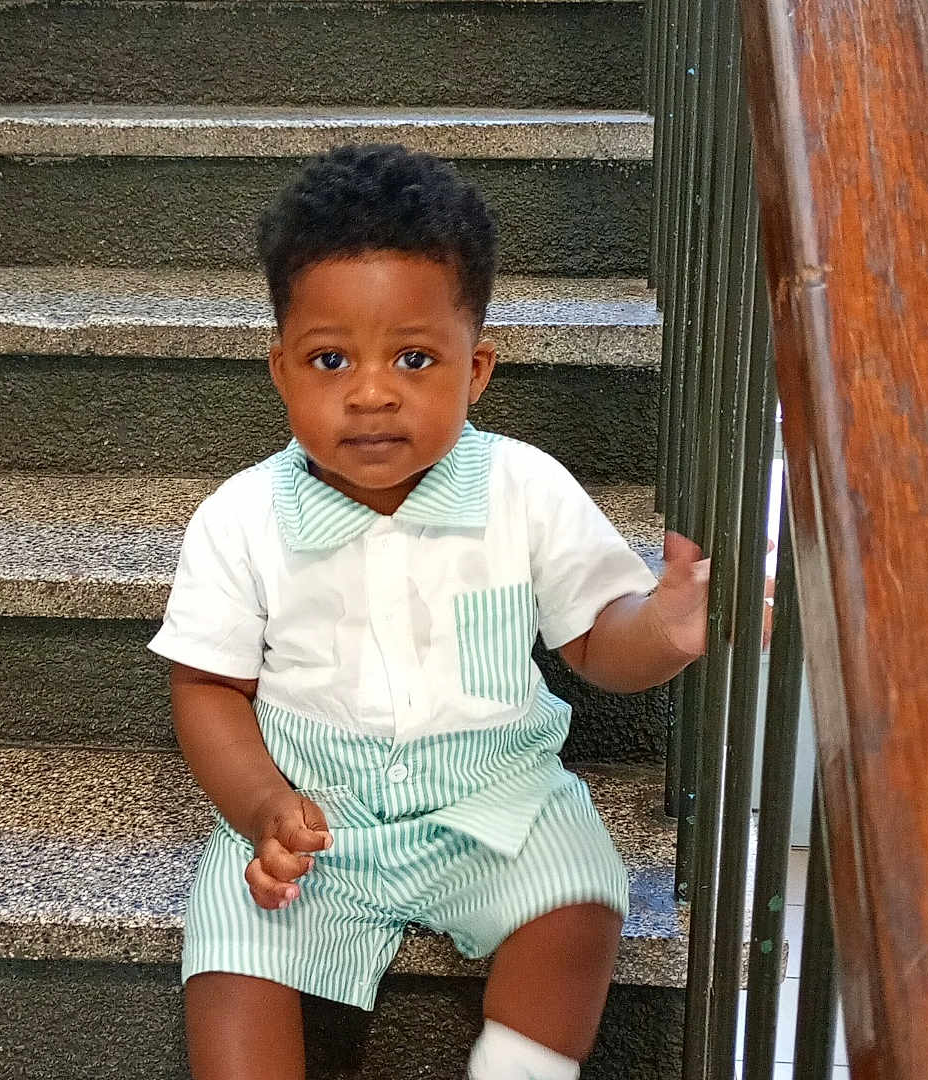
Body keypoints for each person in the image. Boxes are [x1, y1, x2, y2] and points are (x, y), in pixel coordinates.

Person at [147, 143, 710, 1080]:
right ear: (282, 371)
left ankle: (521, 1068)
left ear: (476, 369)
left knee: (581, 897)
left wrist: (662, 629)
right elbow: (208, 686)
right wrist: (262, 808)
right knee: (232, 954)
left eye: (415, 357)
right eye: (331, 359)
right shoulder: (241, 517)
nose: (371, 393)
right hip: (316, 812)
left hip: (496, 796)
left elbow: (595, 641)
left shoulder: (523, 487)